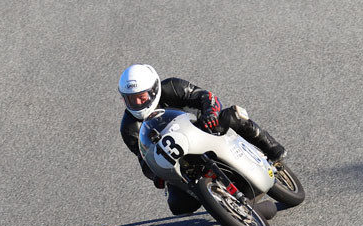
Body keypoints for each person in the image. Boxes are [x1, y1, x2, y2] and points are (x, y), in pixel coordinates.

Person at [117, 64, 288, 216]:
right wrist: (156, 175)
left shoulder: (172, 87)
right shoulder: (129, 128)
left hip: (202, 129)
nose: (137, 102)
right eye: (131, 98)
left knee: (232, 115)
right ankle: (224, 204)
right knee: (179, 205)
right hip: (178, 159)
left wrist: (210, 114)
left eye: (142, 96)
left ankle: (271, 147)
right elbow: (143, 158)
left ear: (153, 90)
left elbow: (206, 97)